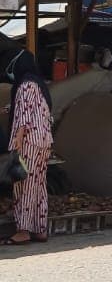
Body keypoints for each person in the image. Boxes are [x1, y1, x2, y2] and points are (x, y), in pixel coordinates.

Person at [3, 48, 52, 245]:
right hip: (44, 140)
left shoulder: (24, 85)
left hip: (28, 141)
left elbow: (23, 116)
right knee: (39, 184)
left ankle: (22, 230)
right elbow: (32, 108)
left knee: (23, 185)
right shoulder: (39, 85)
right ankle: (40, 229)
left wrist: (16, 141)